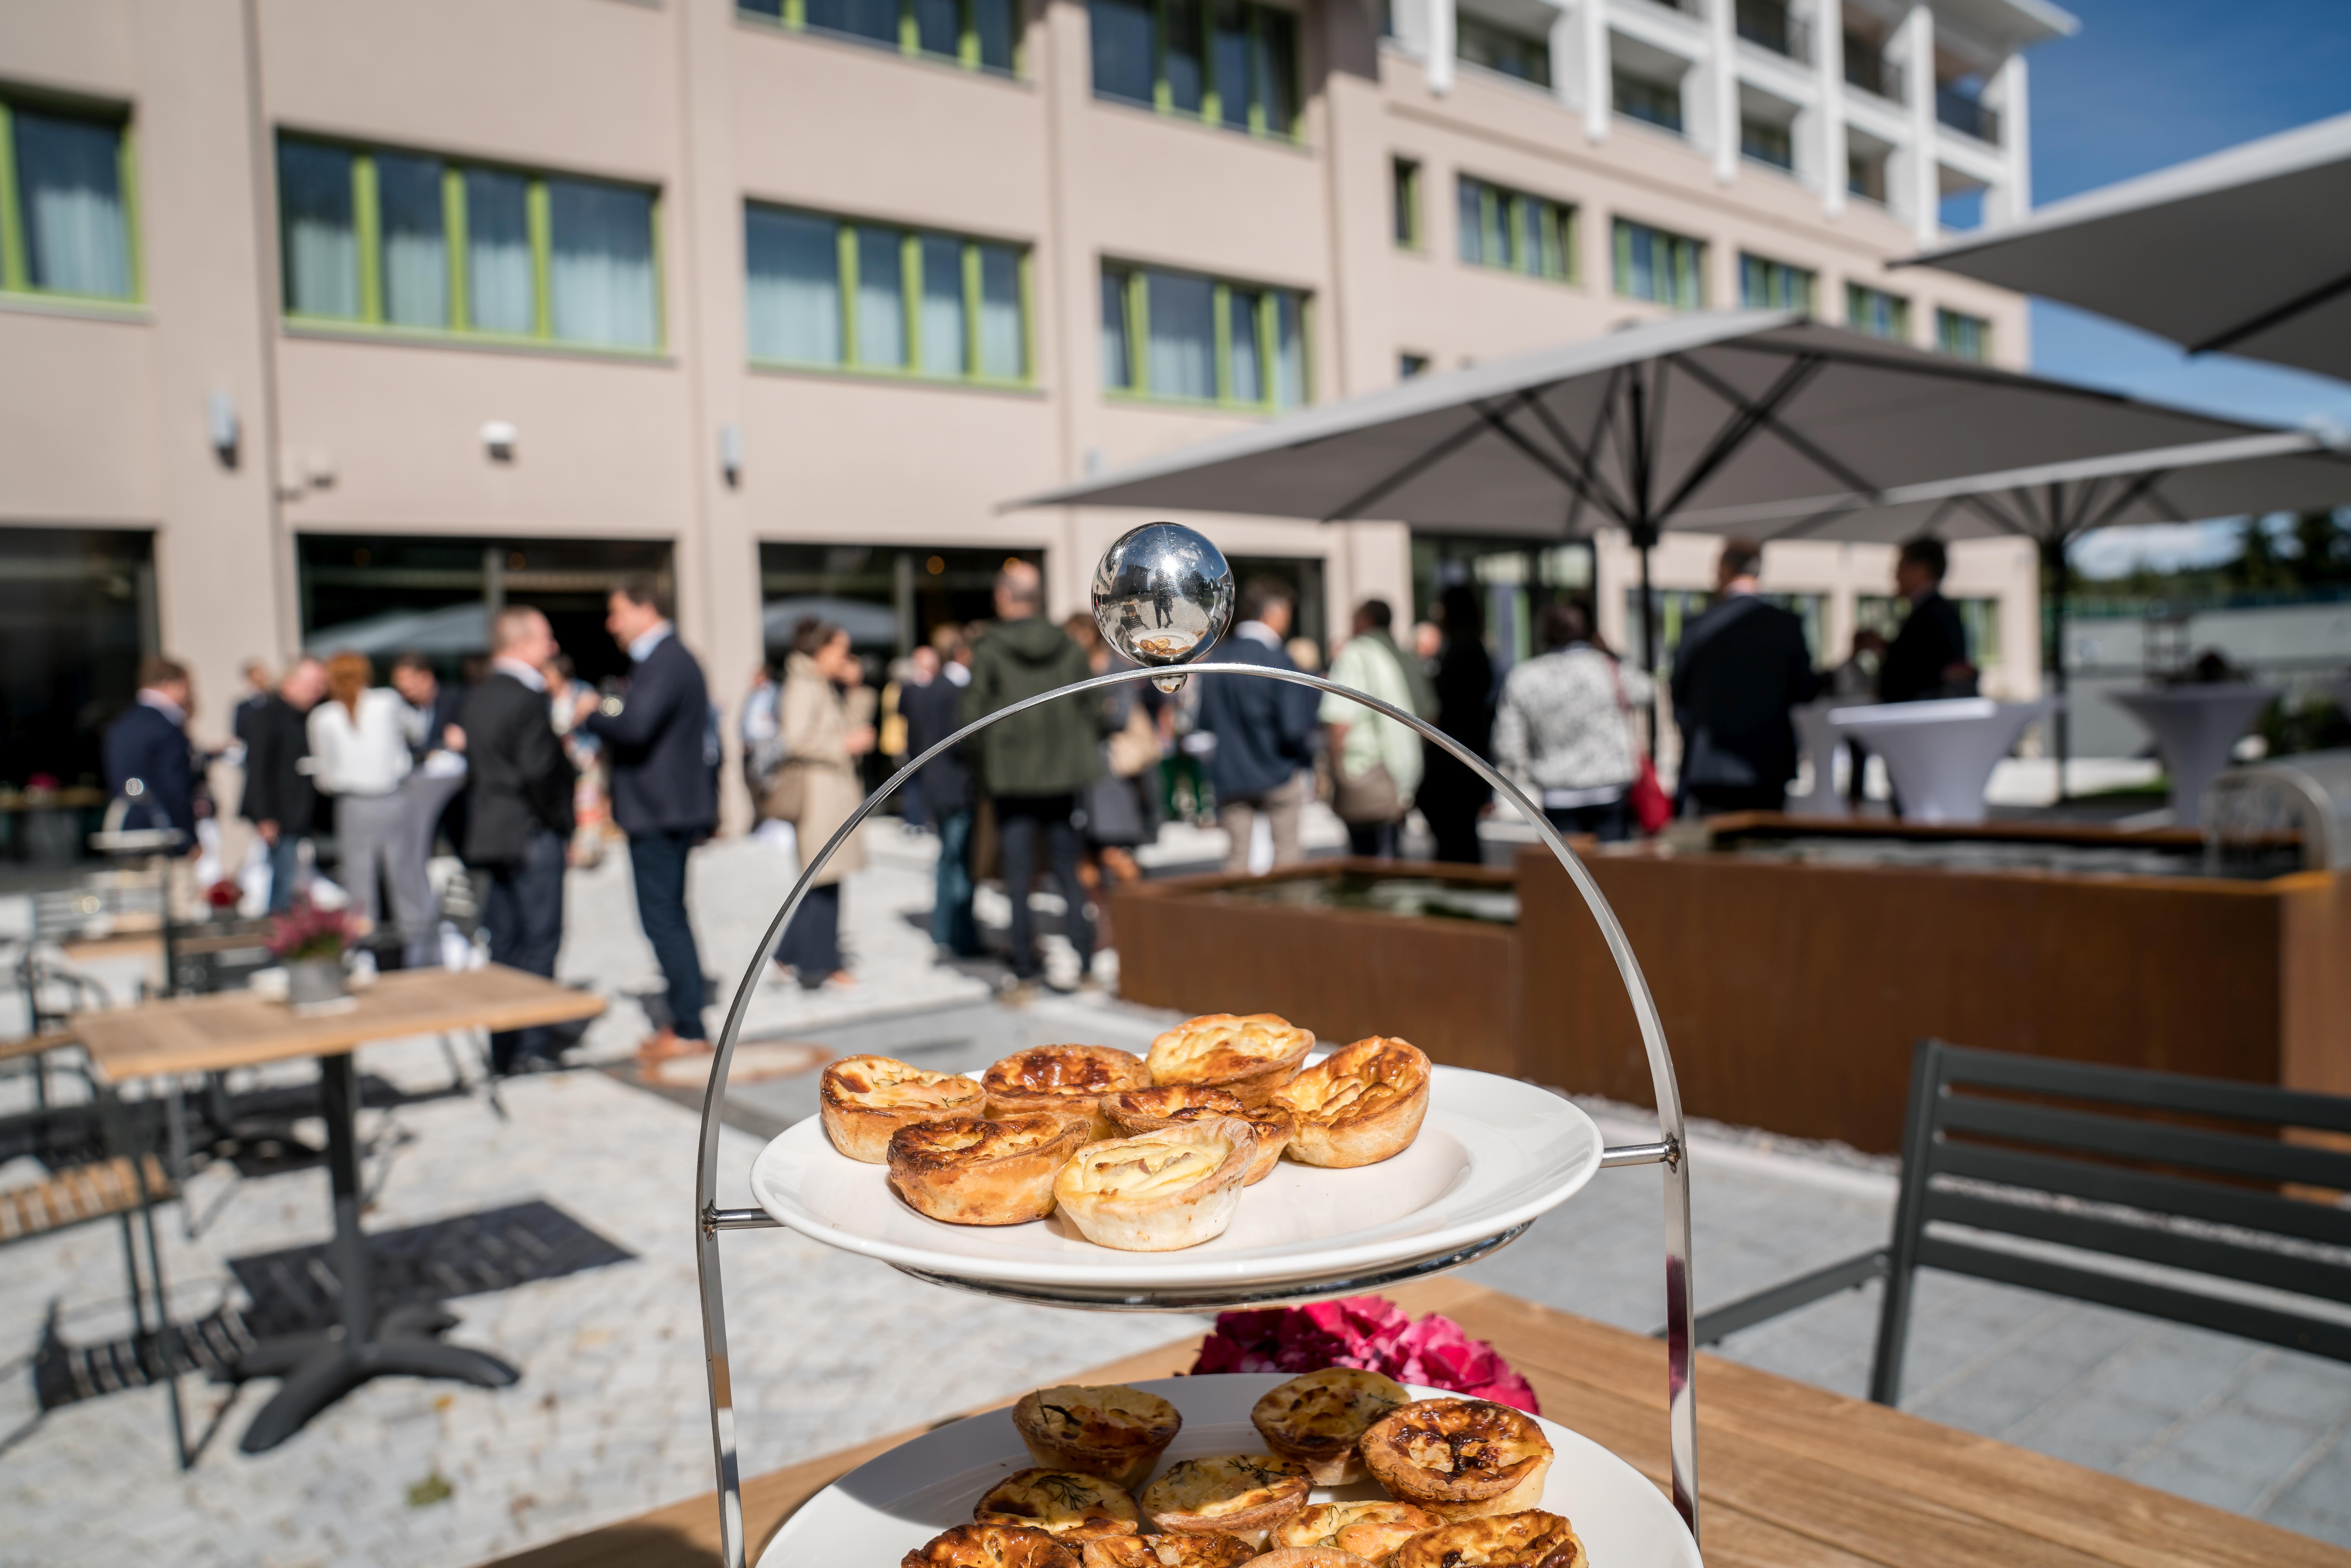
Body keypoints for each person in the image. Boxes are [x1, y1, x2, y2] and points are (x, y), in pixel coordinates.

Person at [576, 578, 719, 1064]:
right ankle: (686, 1016)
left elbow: (636, 726)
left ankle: (688, 1025)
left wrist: (592, 713)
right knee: (670, 914)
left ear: (644, 609)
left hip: (660, 811)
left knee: (662, 917)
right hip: (669, 807)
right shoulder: (670, 657)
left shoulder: (665, 658)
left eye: (617, 613)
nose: (611, 625)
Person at [963, 562, 1099, 993]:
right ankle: (1085, 964)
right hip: (1062, 778)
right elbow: (1092, 709)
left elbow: (970, 718)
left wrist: (990, 763)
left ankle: (1023, 971)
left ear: (1004, 597)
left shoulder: (989, 648)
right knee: (1067, 870)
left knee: (1018, 877)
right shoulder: (1069, 645)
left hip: (1012, 779)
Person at [458, 608, 578, 1072]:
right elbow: (538, 772)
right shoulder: (528, 697)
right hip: (530, 831)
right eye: (546, 639)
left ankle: (503, 1047)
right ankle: (531, 1045)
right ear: (522, 643)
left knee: (502, 944)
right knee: (539, 940)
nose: (551, 649)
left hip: (488, 834)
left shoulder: (475, 696)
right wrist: (562, 822)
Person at [1669, 538, 1821, 816]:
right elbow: (1805, 691)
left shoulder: (1698, 627)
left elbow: (1679, 696)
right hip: (1769, 763)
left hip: (1710, 768)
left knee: (1717, 857)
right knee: (1768, 854)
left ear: (1725, 570)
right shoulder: (1786, 625)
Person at [308, 652, 436, 966]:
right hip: (392, 799)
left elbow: (325, 776)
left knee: (359, 879)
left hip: (354, 804)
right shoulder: (387, 702)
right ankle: (418, 945)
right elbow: (418, 731)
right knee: (404, 874)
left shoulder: (324, 716)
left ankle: (363, 951)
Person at [768, 619, 875, 988]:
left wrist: (856, 689)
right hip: (817, 797)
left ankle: (790, 954)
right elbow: (794, 740)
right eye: (841, 651)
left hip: (830, 793)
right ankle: (821, 964)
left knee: (823, 878)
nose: (846, 658)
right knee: (823, 879)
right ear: (822, 650)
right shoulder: (802, 685)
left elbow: (843, 725)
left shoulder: (818, 684)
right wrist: (841, 747)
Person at [1493, 602, 1654, 841]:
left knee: (1565, 872)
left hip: (1556, 791)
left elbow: (1508, 743)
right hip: (1608, 788)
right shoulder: (1608, 669)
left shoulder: (1525, 677)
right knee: (1611, 872)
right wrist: (1610, 652)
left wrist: (1523, 778)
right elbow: (1646, 690)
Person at [1194, 578, 1320, 873]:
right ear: (1273, 612)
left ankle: (1237, 920)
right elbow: (1293, 728)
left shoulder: (1218, 659)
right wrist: (1306, 760)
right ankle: (1285, 919)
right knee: (1287, 861)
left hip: (1231, 774)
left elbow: (1205, 721)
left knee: (1237, 860)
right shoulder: (1278, 659)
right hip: (1277, 772)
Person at [1322, 599, 1428, 859]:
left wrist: (1334, 768)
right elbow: (1430, 717)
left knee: (1368, 861)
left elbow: (1339, 719)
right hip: (1404, 774)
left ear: (1365, 620)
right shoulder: (1405, 657)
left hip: (1366, 771)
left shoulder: (1355, 653)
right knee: (1391, 852)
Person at [902, 623, 980, 957]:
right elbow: (962, 742)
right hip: (957, 786)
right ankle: (958, 936)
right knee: (957, 860)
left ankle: (945, 931)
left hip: (938, 784)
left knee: (948, 860)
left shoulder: (930, 687)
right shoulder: (957, 690)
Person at [242, 656, 327, 912]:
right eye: (313, 684)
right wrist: (265, 816)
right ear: (290, 683)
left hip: (310, 816)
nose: (319, 690)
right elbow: (257, 770)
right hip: (281, 816)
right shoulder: (267, 716)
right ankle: (282, 944)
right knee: (283, 882)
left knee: (306, 885)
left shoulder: (313, 716)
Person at [1420, 584, 1496, 864]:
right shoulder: (1467, 645)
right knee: (1459, 837)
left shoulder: (1464, 648)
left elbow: (1455, 704)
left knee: (1457, 840)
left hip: (1458, 755)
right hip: (1464, 752)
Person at [389, 650, 468, 902]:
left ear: (426, 677)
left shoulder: (457, 699)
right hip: (419, 796)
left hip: (458, 796)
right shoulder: (402, 709)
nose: (405, 691)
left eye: (409, 683)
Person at [1866, 535, 1977, 703]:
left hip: (1922, 717)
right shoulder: (1937, 610)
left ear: (1922, 570)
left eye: (1901, 566)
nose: (1895, 574)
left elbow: (1922, 671)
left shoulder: (1932, 613)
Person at [103, 656, 199, 846]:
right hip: (165, 832)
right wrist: (189, 836)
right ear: (173, 685)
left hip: (128, 828)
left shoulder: (121, 724)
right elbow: (174, 786)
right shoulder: (165, 727)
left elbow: (126, 781)